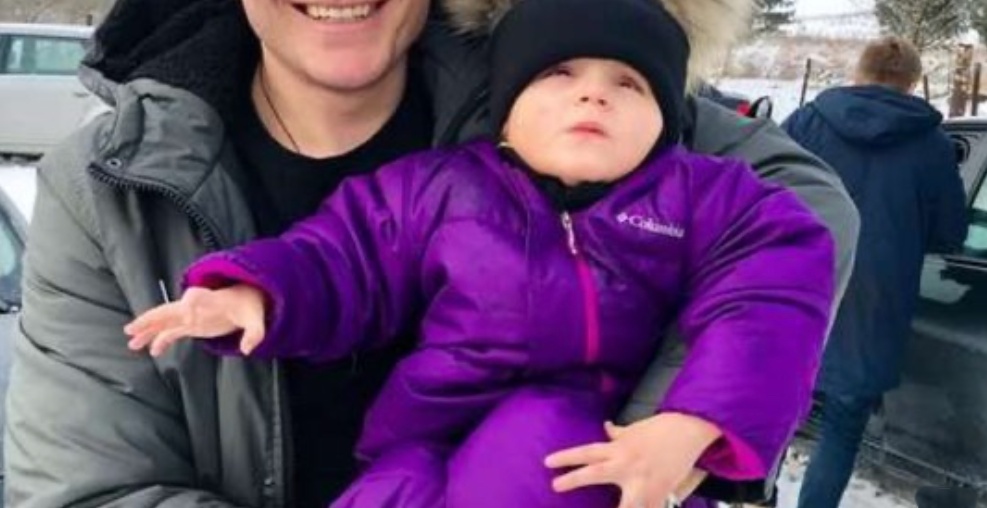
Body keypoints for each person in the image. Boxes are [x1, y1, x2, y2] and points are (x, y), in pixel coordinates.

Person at [4, 0, 859, 506]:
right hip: (408, 457)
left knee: (533, 446)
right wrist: (248, 292)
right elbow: (95, 489)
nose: (591, 96)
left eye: (624, 86)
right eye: (566, 81)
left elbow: (795, 218)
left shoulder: (552, 74)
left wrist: (675, 430)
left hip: (552, 448)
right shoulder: (109, 184)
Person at [782, 36, 967, 508]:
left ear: (859, 73)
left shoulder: (806, 123)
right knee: (842, 428)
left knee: (773, 406)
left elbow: (759, 192)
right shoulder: (932, 146)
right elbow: (950, 232)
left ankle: (753, 495)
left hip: (794, 289)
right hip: (874, 306)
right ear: (912, 82)